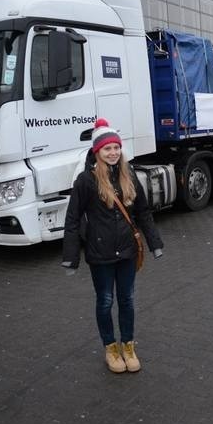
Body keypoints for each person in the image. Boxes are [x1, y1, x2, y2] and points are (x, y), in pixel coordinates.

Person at [62, 118, 164, 374]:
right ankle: (110, 347)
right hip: (100, 254)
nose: (113, 153)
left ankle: (128, 346)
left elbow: (143, 212)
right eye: (107, 149)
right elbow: (72, 219)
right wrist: (71, 258)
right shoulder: (86, 181)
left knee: (127, 300)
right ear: (97, 152)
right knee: (105, 301)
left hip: (128, 251)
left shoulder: (128, 175)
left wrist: (155, 244)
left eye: (116, 148)